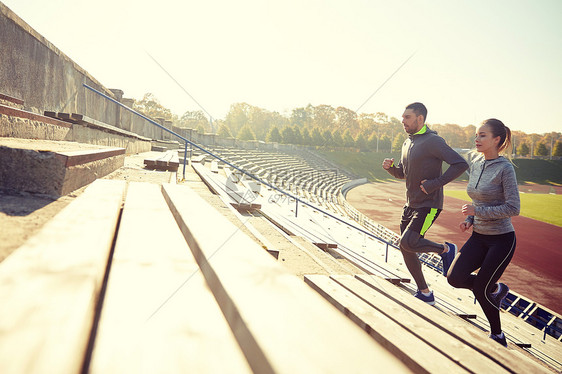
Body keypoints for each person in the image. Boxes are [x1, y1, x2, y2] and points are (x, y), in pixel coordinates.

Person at [382, 102, 469, 305]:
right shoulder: (407, 143)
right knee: (406, 247)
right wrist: (391, 168)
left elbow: (460, 164)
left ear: (420, 119)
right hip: (410, 204)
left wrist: (435, 184)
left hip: (428, 204)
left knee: (408, 242)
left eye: (407, 117)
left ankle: (446, 250)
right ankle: (425, 292)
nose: (402, 121)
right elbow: (403, 173)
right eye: (403, 117)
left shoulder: (433, 141)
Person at [447, 118, 519, 347]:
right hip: (478, 235)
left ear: (497, 140)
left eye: (483, 135)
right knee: (454, 278)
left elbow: (513, 208)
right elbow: (477, 198)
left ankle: (498, 335)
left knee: (480, 289)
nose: (477, 139)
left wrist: (477, 211)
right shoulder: (476, 163)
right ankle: (496, 290)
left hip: (501, 240)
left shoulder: (505, 169)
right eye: (477, 135)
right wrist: (470, 218)